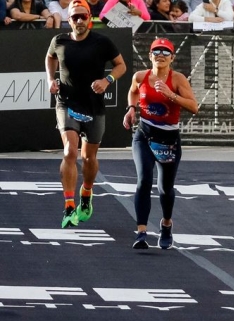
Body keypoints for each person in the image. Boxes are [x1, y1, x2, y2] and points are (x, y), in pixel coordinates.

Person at [46, 0, 126, 229]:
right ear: (68, 19)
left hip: (93, 106)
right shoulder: (59, 40)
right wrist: (51, 79)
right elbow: (50, 57)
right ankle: (69, 204)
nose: (79, 21)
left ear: (90, 17)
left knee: (88, 158)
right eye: (74, 17)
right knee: (70, 150)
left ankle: (87, 193)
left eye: (83, 16)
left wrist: (107, 80)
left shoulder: (102, 42)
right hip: (66, 103)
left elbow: (121, 65)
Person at [123, 38, 198, 249]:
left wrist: (170, 95)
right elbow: (134, 90)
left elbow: (194, 107)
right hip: (144, 135)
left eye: (166, 52)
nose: (161, 55)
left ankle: (166, 224)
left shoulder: (178, 79)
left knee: (165, 188)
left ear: (172, 58)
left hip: (168, 140)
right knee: (143, 180)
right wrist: (130, 109)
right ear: (150, 56)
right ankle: (141, 232)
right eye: (156, 51)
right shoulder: (140, 76)